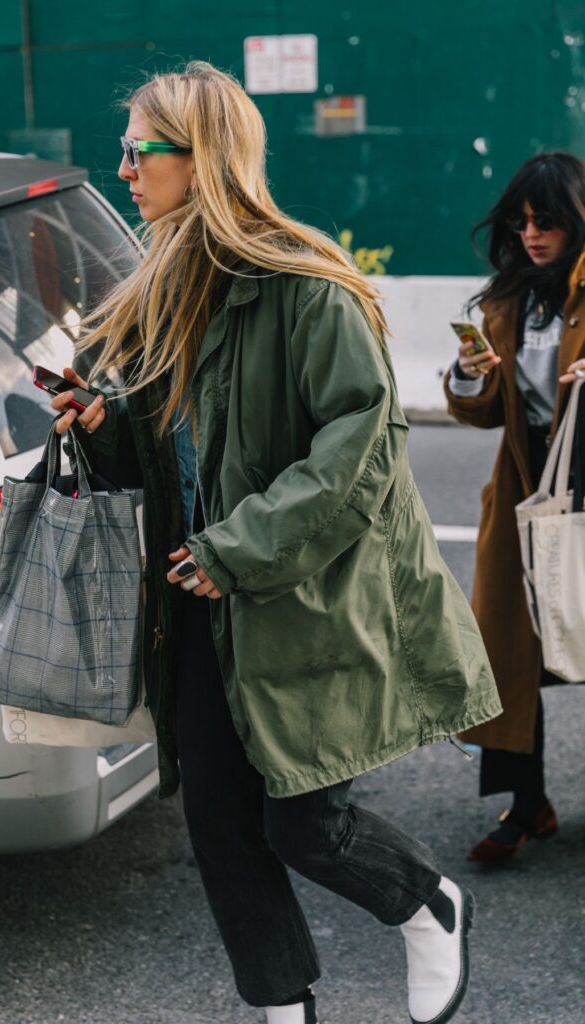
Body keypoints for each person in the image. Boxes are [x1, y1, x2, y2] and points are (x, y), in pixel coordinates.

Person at [51, 62, 500, 1024]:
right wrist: (102, 426)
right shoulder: (160, 289)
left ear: (202, 158)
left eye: (141, 151)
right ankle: (282, 1008)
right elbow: (169, 452)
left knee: (302, 822)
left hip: (298, 596)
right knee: (216, 819)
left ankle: (427, 904)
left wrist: (235, 549)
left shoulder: (305, 289)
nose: (123, 169)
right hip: (197, 594)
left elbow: (359, 450)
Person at [444, 152, 585, 863]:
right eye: (520, 221)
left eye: (547, 220)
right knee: (511, 652)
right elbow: (482, 415)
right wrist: (468, 377)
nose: (532, 234)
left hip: (584, 488)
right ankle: (526, 805)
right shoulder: (509, 300)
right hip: (528, 491)